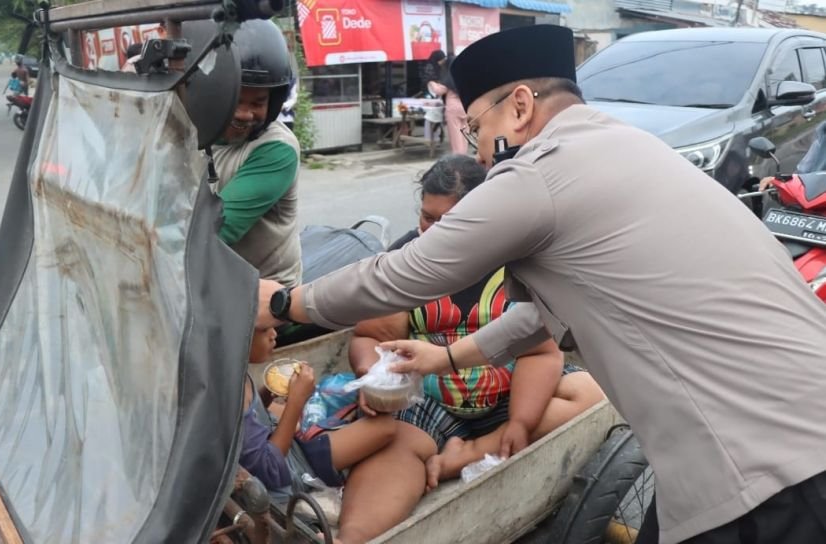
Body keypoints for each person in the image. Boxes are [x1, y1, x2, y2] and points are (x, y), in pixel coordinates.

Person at [256, 25, 826, 544]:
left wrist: (284, 302)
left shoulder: (541, 170)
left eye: (476, 127)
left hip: (765, 472)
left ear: (521, 106)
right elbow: (541, 316)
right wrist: (444, 359)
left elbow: (407, 272)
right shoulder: (622, 146)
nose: (477, 149)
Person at [350, 154, 604, 488]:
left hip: (510, 396)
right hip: (427, 404)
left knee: (589, 391)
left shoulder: (520, 263)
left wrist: (521, 423)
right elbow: (370, 337)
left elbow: (539, 353)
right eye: (428, 218)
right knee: (388, 456)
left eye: (450, 222)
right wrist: (375, 378)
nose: (435, 233)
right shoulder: (402, 261)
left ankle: (468, 452)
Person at [240, 327, 397, 494]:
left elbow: (255, 412)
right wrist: (296, 402)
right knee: (385, 426)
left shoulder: (237, 374)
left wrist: (269, 392)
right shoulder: (236, 394)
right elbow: (271, 469)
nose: (274, 334)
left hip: (284, 447)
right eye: (264, 330)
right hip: (293, 469)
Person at [213, 19, 302, 288]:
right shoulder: (195, 131)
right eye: (235, 99)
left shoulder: (276, 150)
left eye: (258, 102)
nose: (243, 113)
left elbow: (215, 232)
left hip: (264, 298)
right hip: (208, 283)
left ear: (273, 103)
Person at [427, 55, 467, 155]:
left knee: (455, 133)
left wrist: (431, 83)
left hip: (453, 109)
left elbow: (439, 91)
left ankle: (458, 155)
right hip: (465, 107)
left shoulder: (449, 78)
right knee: (465, 132)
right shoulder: (464, 75)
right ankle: (464, 153)